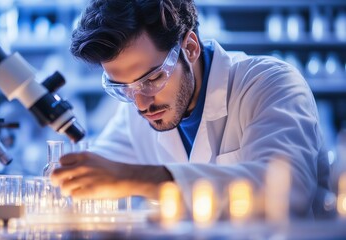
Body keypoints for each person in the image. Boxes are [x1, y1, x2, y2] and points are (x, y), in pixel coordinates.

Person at [50, 0, 332, 219]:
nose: (141, 104)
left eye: (152, 79)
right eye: (123, 89)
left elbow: (288, 191)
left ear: (190, 48)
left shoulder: (269, 83)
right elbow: (93, 175)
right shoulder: (134, 112)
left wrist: (136, 178)